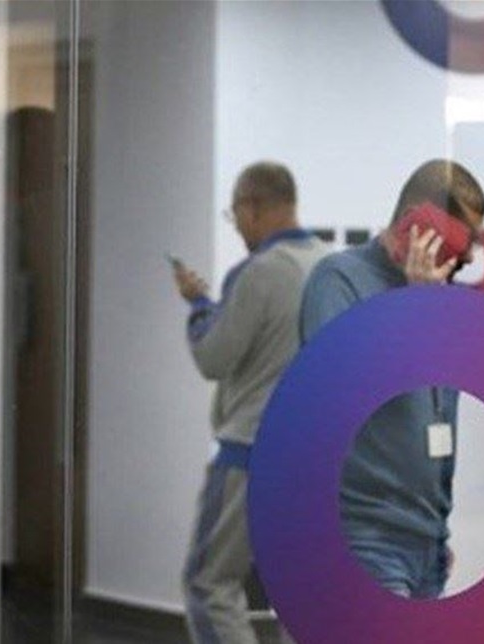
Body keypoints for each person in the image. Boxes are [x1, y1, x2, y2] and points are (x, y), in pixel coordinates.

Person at [299, 158, 484, 599]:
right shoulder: (339, 280)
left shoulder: (442, 296)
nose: (470, 255)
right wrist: (412, 311)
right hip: (365, 538)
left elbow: (437, 410)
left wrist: (432, 533)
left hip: (427, 544)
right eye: (463, 238)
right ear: (417, 222)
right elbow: (334, 396)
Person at [175, 161, 328, 644]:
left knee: (208, 583)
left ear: (252, 207)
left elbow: (214, 357)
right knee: (301, 589)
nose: (237, 225)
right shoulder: (330, 266)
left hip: (250, 453)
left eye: (235, 214)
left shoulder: (257, 271)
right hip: (312, 457)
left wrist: (199, 308)